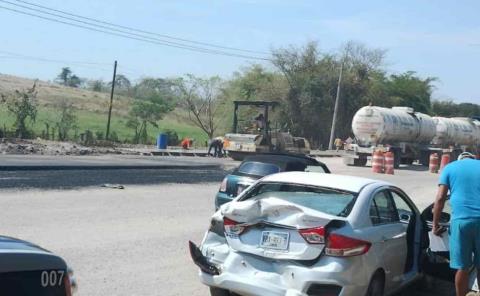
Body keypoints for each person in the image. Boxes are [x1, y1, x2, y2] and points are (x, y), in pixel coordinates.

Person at [433, 152, 480, 296]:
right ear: (473, 159)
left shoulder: (450, 168)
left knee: (462, 267)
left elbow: (440, 198)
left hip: (460, 222)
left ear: (459, 159)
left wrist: (435, 224)